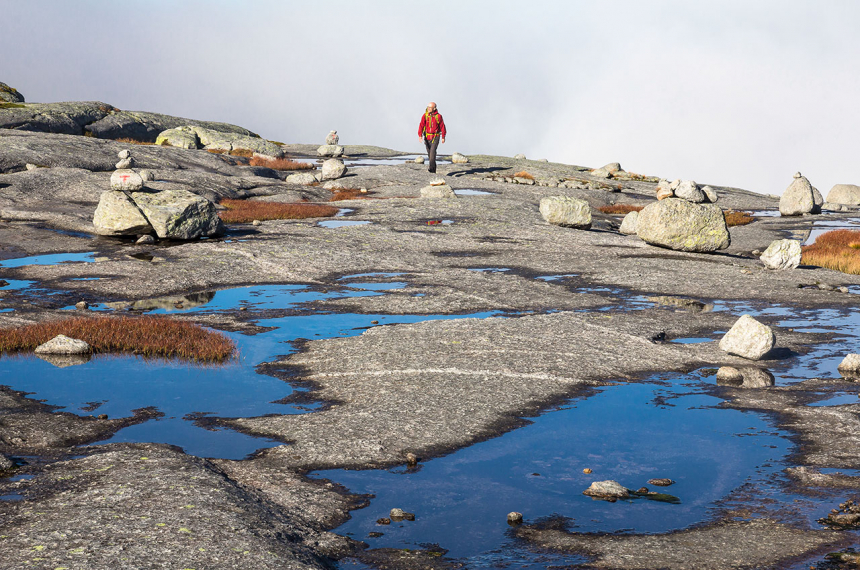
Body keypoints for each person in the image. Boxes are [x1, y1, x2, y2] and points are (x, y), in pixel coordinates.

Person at [418, 102, 446, 173]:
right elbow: (421, 125)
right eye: (428, 107)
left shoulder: (438, 116)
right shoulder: (425, 116)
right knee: (430, 155)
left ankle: (431, 169)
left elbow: (442, 126)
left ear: (434, 108)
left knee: (432, 153)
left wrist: (443, 136)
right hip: (427, 137)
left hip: (435, 137)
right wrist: (420, 135)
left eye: (430, 107)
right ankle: (433, 171)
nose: (428, 108)